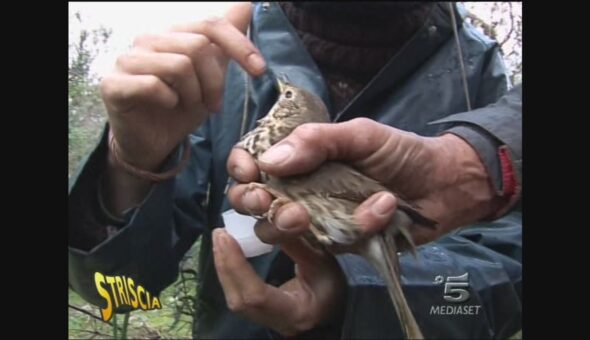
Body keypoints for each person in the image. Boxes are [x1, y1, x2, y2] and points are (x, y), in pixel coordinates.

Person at [68, 2, 522, 338]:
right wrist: (131, 164)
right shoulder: (221, 57)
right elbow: (119, 287)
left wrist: (360, 292)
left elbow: (511, 269)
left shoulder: (475, 67)